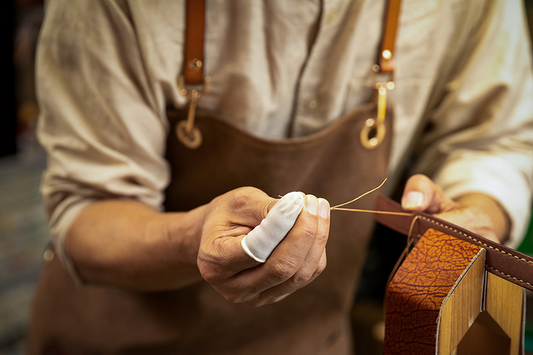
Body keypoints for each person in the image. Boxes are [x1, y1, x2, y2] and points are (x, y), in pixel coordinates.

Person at [29, 0, 533, 354]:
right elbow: (87, 208)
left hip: (310, 341)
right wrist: (190, 238)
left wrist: (477, 209)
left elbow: (494, 141)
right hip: (120, 340)